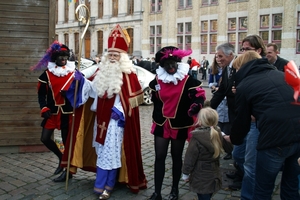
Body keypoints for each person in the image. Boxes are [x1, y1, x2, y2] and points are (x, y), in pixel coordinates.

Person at [57, 24, 148, 198]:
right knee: (101, 152)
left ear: (122, 57)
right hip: (100, 120)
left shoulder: (129, 75)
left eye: (116, 55)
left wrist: (120, 111)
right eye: (111, 54)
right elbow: (94, 92)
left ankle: (108, 184)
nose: (113, 57)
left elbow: (131, 100)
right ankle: (101, 184)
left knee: (112, 153)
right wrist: (82, 82)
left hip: (115, 122)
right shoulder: (101, 71)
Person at [227, 51, 300, 199]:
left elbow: (241, 121)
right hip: (298, 136)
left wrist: (234, 139)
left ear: (242, 67)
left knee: (262, 189)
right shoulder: (283, 75)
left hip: (274, 139)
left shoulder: (245, 85)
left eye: (237, 68)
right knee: (291, 186)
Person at [147, 46, 206, 200]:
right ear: (162, 66)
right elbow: (155, 98)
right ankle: (157, 192)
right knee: (159, 156)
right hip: (161, 122)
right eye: (168, 65)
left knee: (176, 157)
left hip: (180, 123)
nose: (171, 68)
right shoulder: (158, 80)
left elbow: (199, 96)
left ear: (178, 63)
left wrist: (195, 106)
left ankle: (174, 190)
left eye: (173, 64)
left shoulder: (187, 80)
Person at [30, 41, 77, 176]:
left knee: (66, 141)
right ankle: (61, 157)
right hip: (52, 113)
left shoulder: (73, 73)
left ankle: (67, 171)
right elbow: (41, 95)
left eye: (65, 56)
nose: (63, 59)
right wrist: (43, 107)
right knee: (45, 138)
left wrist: (73, 91)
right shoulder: (47, 74)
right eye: (60, 56)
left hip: (67, 112)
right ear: (54, 58)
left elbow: (82, 90)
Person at [182, 107, 223, 200]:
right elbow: (228, 148)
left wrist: (185, 173)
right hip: (214, 175)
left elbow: (190, 157)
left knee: (203, 196)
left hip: (200, 176)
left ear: (200, 121)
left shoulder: (196, 137)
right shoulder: (217, 133)